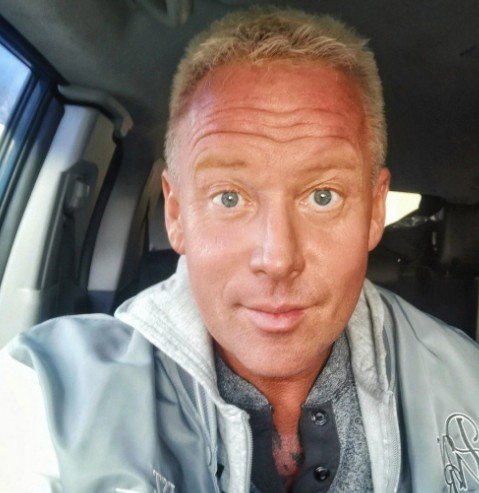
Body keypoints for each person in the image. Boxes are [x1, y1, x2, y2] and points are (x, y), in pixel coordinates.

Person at [1, 6, 479, 493]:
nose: (277, 259)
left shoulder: (468, 385)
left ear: (375, 211)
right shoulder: (51, 395)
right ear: (176, 214)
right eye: (228, 198)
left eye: (323, 196)